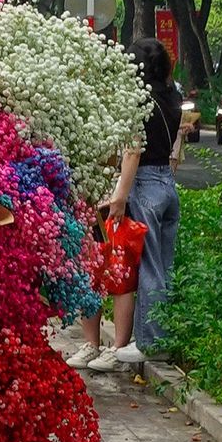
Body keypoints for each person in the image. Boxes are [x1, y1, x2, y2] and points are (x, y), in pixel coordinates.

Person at [70, 38, 182, 374]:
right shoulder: (171, 95)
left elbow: (133, 152)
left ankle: (150, 343)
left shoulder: (138, 101)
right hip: (167, 184)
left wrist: (119, 197)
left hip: (143, 184)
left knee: (144, 268)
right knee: (161, 265)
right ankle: (154, 338)